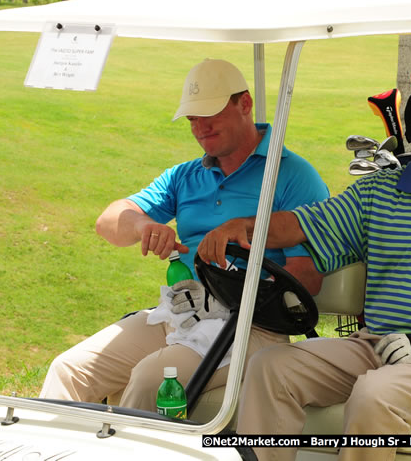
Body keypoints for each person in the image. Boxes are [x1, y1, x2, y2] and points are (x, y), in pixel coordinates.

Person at [203, 82, 411, 461]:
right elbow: (304, 224)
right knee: (270, 366)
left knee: (375, 394)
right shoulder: (379, 192)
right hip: (379, 344)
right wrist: (244, 226)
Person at [39, 58, 329, 412]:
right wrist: (144, 226)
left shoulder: (293, 176)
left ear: (245, 104)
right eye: (192, 118)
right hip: (180, 312)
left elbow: (307, 279)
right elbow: (108, 221)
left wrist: (241, 286)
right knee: (69, 370)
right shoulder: (185, 176)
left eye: (209, 115)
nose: (200, 128)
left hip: (252, 326)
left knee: (150, 380)